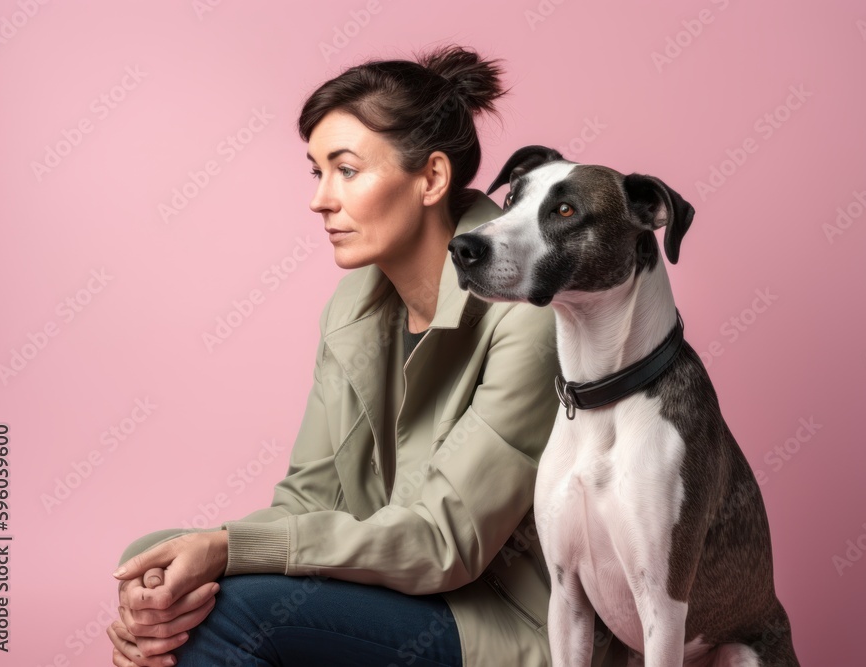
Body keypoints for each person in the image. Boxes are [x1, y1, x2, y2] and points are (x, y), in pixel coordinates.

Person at [106, 44, 625, 667]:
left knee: (227, 605)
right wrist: (166, 592)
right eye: (316, 171)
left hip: (512, 625)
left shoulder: (529, 318)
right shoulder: (354, 308)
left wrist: (227, 553)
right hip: (392, 592)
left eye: (346, 170)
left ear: (431, 179)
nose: (321, 200)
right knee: (161, 560)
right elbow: (306, 502)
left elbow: (443, 543)